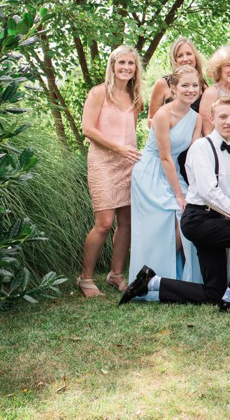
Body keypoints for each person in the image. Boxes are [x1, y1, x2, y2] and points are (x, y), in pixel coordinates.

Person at [119, 96, 230, 313]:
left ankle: (151, 283)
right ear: (212, 118)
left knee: (213, 292)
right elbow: (208, 192)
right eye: (223, 117)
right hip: (198, 219)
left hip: (216, 220)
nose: (228, 121)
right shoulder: (202, 147)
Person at [129, 66, 203, 299]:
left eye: (195, 85)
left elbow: (192, 155)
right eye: (185, 85)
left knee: (187, 219)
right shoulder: (163, 114)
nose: (191, 90)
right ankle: (149, 278)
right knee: (164, 220)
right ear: (173, 88)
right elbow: (165, 157)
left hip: (172, 173)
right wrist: (179, 194)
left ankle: (159, 279)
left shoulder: (197, 118)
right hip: (151, 171)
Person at [78, 46, 143, 297]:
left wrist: (130, 154)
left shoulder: (134, 96)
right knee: (104, 223)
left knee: (126, 221)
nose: (126, 67)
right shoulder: (98, 93)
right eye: (122, 63)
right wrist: (118, 148)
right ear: (113, 65)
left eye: (131, 63)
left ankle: (116, 274)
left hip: (128, 162)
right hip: (103, 162)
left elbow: (131, 133)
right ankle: (85, 278)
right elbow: (87, 129)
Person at [148, 38, 206, 126]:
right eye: (180, 56)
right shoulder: (163, 84)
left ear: (195, 57)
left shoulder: (204, 87)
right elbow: (151, 119)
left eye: (189, 54)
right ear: (174, 60)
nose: (185, 59)